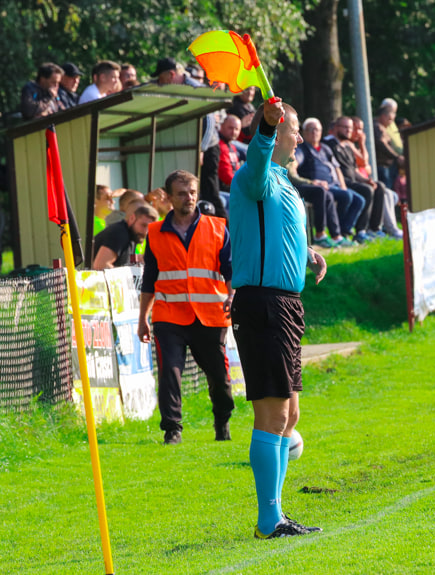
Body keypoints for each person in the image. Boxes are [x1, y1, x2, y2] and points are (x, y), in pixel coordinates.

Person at [229, 97, 327, 539]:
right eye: (292, 130)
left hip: (285, 305)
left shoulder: (284, 182)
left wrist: (306, 253)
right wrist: (265, 128)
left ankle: (277, 513)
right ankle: (270, 519)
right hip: (262, 304)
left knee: (289, 416)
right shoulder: (255, 176)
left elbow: (274, 231)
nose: (300, 137)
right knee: (272, 414)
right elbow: (255, 158)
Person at [137, 169, 235, 445]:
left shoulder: (217, 227)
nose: (189, 198)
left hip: (210, 315)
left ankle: (222, 420)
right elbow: (150, 279)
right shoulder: (155, 233)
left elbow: (230, 270)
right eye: (181, 193)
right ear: (168, 197)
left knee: (219, 375)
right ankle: (172, 429)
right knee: (170, 371)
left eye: (192, 192)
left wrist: (232, 295)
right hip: (170, 316)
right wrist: (143, 318)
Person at [154, 57, 224, 219]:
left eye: (161, 78)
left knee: (210, 191)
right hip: (192, 146)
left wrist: (202, 149)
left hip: (207, 147)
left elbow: (209, 120)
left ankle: (224, 231)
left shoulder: (195, 88)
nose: (160, 82)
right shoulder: (177, 88)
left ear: (171, 75)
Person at [327, 116, 402, 238]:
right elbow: (335, 169)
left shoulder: (346, 146)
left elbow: (355, 169)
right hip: (340, 182)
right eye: (345, 127)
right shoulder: (329, 144)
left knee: (379, 186)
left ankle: (374, 228)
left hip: (353, 180)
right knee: (367, 190)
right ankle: (361, 230)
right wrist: (344, 184)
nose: (348, 131)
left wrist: (366, 180)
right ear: (336, 128)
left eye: (350, 128)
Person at [294, 118, 367, 241]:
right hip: (320, 186)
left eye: (317, 130)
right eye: (311, 130)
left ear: (321, 132)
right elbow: (295, 163)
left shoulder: (325, 148)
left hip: (335, 185)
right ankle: (337, 233)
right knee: (346, 197)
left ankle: (344, 230)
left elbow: (337, 168)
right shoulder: (302, 149)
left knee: (359, 200)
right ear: (304, 132)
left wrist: (343, 185)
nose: (314, 133)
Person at [287, 161, 354, 248]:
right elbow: (292, 177)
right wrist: (311, 182)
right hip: (289, 187)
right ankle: (320, 235)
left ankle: (336, 236)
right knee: (320, 191)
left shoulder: (291, 153)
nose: (296, 146)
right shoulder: (286, 153)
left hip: (297, 185)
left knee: (328, 195)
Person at [92, 203, 158, 269]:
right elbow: (100, 265)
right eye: (143, 225)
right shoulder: (119, 233)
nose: (145, 231)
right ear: (132, 218)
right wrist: (126, 276)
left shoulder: (132, 235)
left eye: (150, 228)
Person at [374, 103, 403, 190]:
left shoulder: (383, 127)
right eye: (390, 119)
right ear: (383, 116)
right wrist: (396, 157)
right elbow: (382, 144)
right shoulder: (377, 127)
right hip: (382, 166)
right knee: (386, 192)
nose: (391, 122)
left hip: (387, 166)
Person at [218, 114, 247, 192]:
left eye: (236, 129)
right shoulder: (220, 146)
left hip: (233, 186)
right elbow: (226, 175)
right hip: (224, 190)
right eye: (230, 128)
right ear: (222, 126)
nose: (233, 132)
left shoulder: (231, 146)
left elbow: (236, 170)